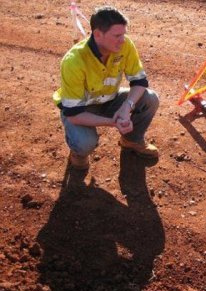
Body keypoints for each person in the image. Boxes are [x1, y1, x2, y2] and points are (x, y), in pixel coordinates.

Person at [53, 6, 159, 170]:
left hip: (110, 99)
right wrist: (113, 122)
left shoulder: (125, 45)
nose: (123, 40)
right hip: (81, 109)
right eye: (117, 35)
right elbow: (74, 115)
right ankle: (78, 154)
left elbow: (140, 82)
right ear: (97, 34)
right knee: (84, 143)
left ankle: (131, 140)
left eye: (123, 34)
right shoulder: (73, 61)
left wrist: (126, 107)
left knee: (150, 98)